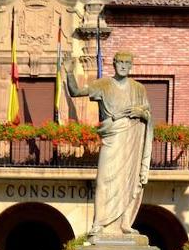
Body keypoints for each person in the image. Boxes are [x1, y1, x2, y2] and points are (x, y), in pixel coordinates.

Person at [64, 51, 154, 240]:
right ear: (114, 64)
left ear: (131, 66)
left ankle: (125, 223)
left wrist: (140, 113)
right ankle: (99, 223)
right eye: (119, 62)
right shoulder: (103, 84)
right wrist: (69, 73)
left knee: (129, 182)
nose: (123, 65)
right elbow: (76, 92)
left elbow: (148, 115)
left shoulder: (139, 89)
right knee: (102, 180)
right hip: (112, 137)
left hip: (132, 140)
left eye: (127, 63)